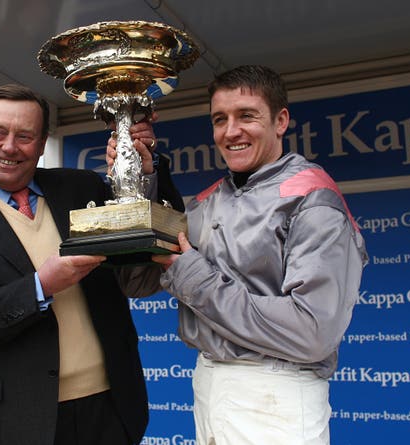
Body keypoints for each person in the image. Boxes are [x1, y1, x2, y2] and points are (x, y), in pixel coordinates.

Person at [0, 84, 182, 445]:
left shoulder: (83, 187)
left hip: (109, 409)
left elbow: (145, 252)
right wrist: (39, 287)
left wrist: (144, 171)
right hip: (11, 422)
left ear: (40, 145)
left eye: (24, 136)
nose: (9, 146)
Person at [146, 65, 368, 444]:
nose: (231, 131)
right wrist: (144, 173)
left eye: (246, 115)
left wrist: (194, 277)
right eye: (220, 119)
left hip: (274, 394)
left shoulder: (312, 198)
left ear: (280, 121)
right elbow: (142, 277)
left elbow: (312, 331)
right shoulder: (211, 199)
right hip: (210, 383)